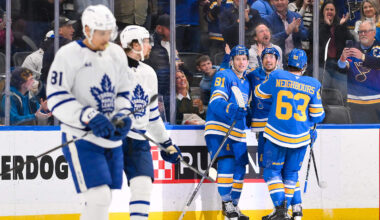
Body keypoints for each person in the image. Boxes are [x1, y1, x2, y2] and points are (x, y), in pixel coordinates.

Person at [46, 5, 133, 220]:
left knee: (103, 199)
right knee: (98, 196)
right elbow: (56, 97)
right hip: (80, 137)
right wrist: (88, 116)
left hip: (111, 139)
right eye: (101, 33)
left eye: (108, 32)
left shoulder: (116, 53)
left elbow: (124, 90)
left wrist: (122, 115)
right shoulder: (68, 55)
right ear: (87, 30)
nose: (106, 38)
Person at [119, 25, 182, 219]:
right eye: (146, 42)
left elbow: (152, 116)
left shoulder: (149, 73)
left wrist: (166, 144)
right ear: (135, 44)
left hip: (138, 141)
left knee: (143, 186)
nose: (150, 46)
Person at [255, 49, 325, 220]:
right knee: (291, 174)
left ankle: (280, 210)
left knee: (271, 172)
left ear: (286, 63)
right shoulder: (313, 83)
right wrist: (310, 125)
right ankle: (287, 211)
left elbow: (259, 93)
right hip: (300, 138)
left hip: (276, 135)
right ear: (305, 66)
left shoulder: (277, 75)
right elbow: (318, 116)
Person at [204, 45, 250, 220]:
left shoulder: (246, 82)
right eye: (237, 59)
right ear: (232, 61)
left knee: (240, 168)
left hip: (237, 132)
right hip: (218, 129)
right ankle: (226, 203)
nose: (241, 62)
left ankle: (234, 206)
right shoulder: (224, 75)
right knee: (228, 163)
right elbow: (216, 103)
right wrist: (231, 109)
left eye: (244, 59)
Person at [338, 20, 380, 123]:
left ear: (374, 32)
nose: (363, 34)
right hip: (354, 101)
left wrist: (362, 57)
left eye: (366, 31)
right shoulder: (352, 47)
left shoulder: (378, 47)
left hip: (376, 100)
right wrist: (342, 59)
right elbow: (342, 68)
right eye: (360, 32)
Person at [319, 0, 352, 100]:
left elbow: (349, 39)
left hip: (338, 65)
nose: (329, 11)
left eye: (332, 9)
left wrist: (340, 26)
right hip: (321, 65)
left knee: (343, 93)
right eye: (327, 9)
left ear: (335, 12)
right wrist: (326, 26)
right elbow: (318, 40)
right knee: (321, 92)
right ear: (322, 11)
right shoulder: (317, 24)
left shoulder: (341, 24)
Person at [263, 0, 308, 65]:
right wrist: (286, 32)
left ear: (287, 1)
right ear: (272, 2)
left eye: (282, 0)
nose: (279, 2)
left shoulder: (296, 16)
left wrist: (297, 31)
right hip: (278, 60)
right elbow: (269, 40)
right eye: (276, 0)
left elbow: (305, 36)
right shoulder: (267, 20)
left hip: (297, 59)